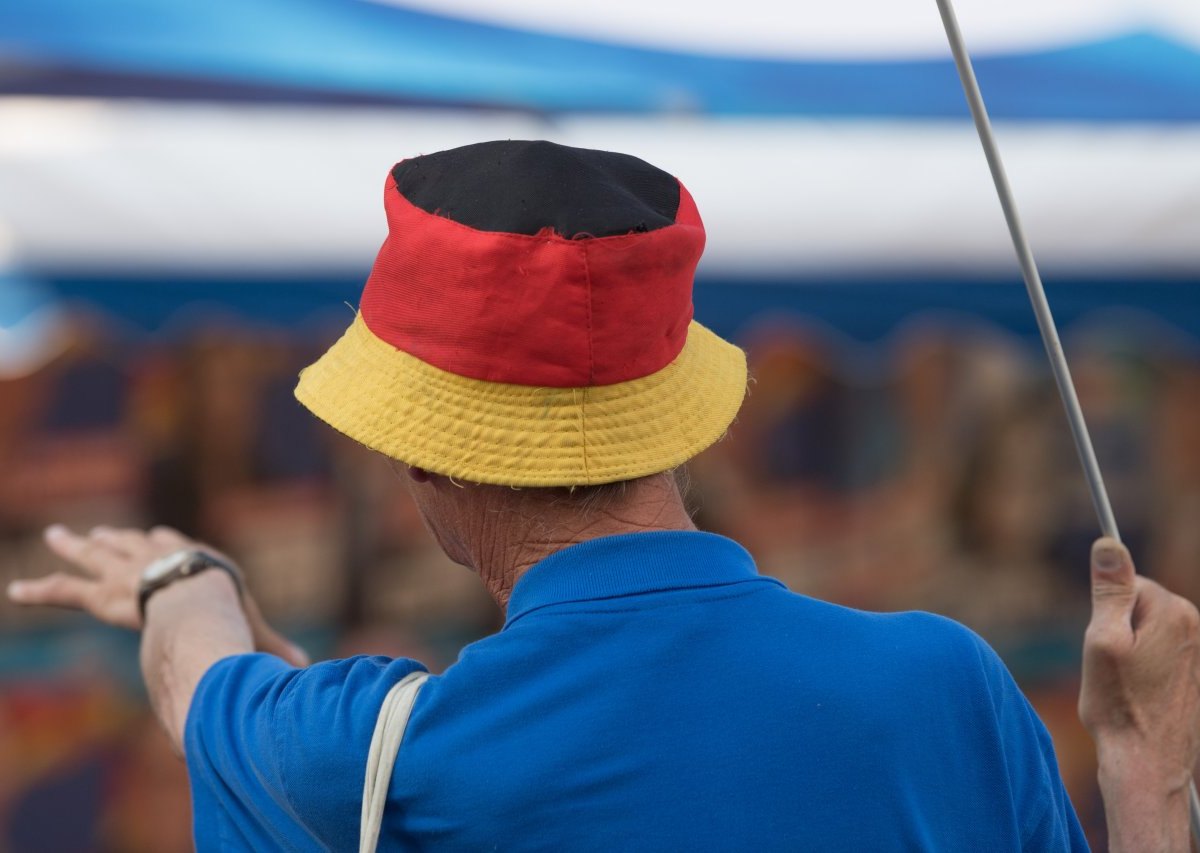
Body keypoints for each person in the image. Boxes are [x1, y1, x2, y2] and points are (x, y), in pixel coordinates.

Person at [7, 140, 1199, 851]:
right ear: (676, 419)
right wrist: (1143, 771)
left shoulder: (386, 755)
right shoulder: (948, 687)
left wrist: (180, 576)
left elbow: (198, 675)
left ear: (421, 454)